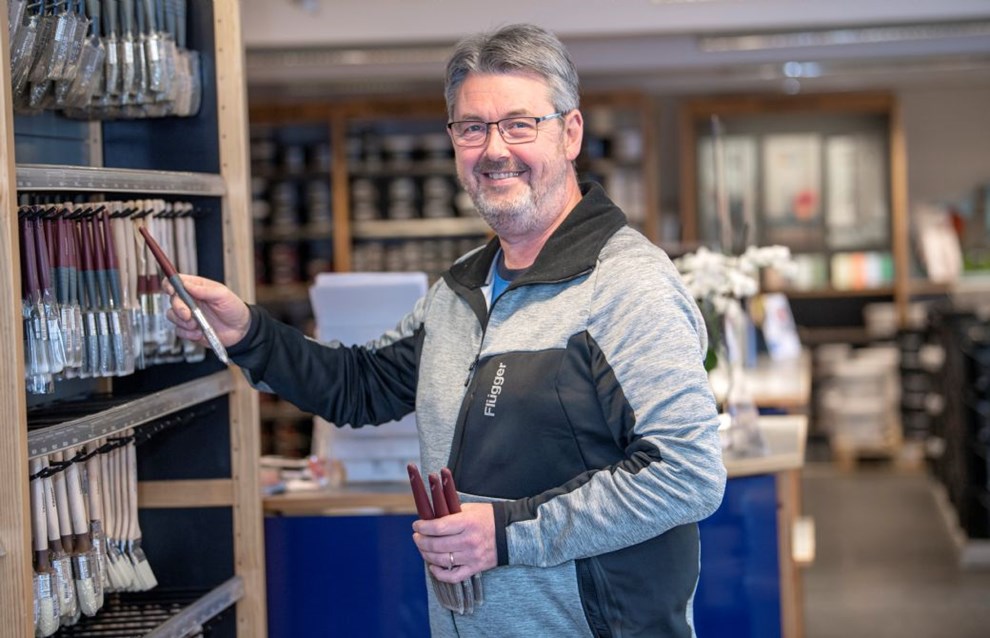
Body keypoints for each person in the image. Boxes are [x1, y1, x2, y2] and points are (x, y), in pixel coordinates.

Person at [167, 23, 726, 638]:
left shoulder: (625, 284)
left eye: (519, 124)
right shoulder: (463, 288)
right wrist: (247, 332)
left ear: (570, 133)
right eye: (472, 128)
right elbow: (362, 385)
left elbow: (686, 474)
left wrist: (505, 534)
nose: (494, 149)